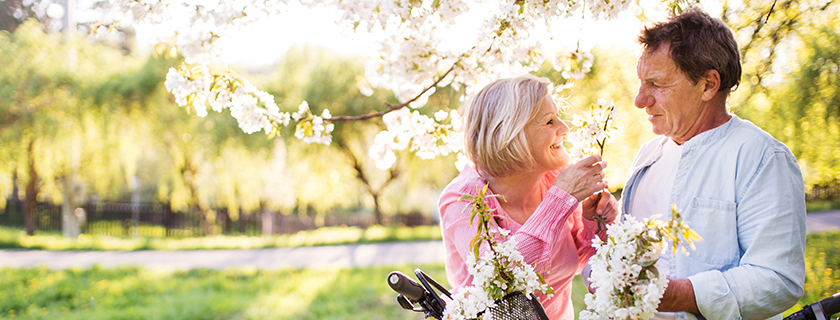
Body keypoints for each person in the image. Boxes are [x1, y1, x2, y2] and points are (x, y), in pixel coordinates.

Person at [622, 7, 806, 320]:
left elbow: (778, 279)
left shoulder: (761, 157)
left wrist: (683, 295)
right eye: (641, 82)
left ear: (708, 84)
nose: (640, 100)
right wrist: (603, 222)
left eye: (657, 84)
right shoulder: (648, 156)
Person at [438, 74, 619, 320]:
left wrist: (594, 222)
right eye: (549, 122)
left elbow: (577, 262)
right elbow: (499, 282)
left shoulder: (553, 179)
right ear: (510, 134)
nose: (564, 129)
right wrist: (559, 200)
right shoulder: (463, 199)